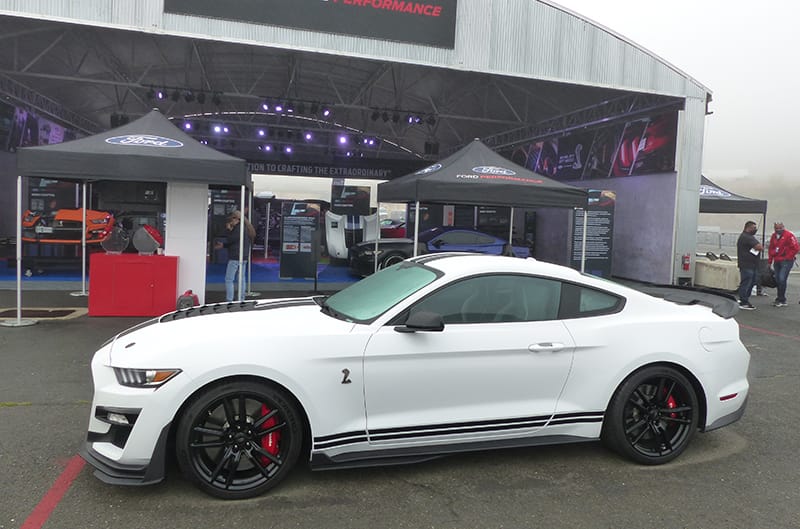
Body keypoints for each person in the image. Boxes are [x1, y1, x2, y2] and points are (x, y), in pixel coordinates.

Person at [217, 210, 256, 302]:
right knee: (241, 279)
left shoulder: (238, 229)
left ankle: (229, 299)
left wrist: (228, 230)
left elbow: (231, 239)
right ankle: (241, 298)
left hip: (235, 256)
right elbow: (237, 242)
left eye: (231, 220)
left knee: (229, 279)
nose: (230, 222)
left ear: (236, 219)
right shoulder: (247, 228)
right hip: (244, 256)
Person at [767, 221, 799, 307]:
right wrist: (769, 261)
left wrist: (787, 257)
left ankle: (781, 299)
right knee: (777, 279)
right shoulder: (774, 236)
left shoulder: (789, 235)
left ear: (783, 227)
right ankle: (780, 298)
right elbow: (771, 248)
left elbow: (796, 248)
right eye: (776, 228)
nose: (778, 230)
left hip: (786, 261)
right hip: (777, 260)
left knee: (782, 278)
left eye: (780, 228)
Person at [736, 220, 763, 310]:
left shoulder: (747, 237)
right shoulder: (747, 237)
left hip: (750, 264)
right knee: (747, 283)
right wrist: (759, 246)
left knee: (751, 282)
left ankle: (744, 299)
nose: (755, 230)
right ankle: (743, 301)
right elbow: (759, 247)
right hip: (747, 265)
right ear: (748, 228)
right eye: (754, 228)